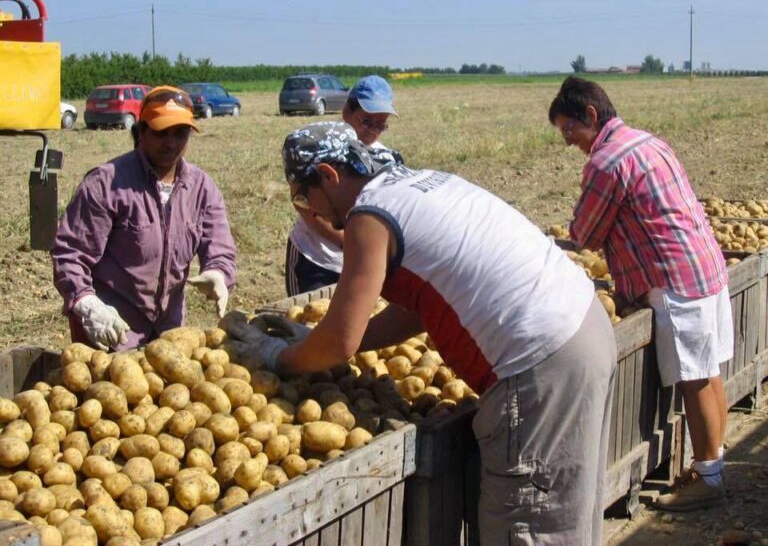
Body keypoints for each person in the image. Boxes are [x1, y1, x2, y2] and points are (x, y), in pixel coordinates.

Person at [232, 121, 617, 545]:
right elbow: (413, 312)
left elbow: (340, 341)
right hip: (583, 329)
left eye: (304, 197)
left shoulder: (369, 215)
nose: (312, 213)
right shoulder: (418, 183)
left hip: (539, 364)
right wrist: (312, 338)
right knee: (564, 512)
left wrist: (276, 357)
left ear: (329, 174)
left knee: (529, 523)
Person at [548, 76, 732, 512]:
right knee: (709, 374)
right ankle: (713, 468)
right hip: (704, 265)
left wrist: (564, 242)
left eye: (568, 131)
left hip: (674, 277)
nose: (568, 142)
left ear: (591, 115)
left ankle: (709, 481)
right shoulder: (647, 141)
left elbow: (587, 233)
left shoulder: (606, 161)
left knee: (695, 381)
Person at [51, 85, 237, 351]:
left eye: (180, 133)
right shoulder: (106, 184)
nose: (171, 143)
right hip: (110, 330)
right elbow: (70, 255)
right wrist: (87, 304)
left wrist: (218, 273)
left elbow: (220, 246)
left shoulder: (202, 188)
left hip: (168, 333)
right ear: (141, 132)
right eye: (161, 132)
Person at [284, 75, 397, 296]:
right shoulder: (319, 146)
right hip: (317, 259)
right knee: (307, 320)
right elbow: (302, 202)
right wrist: (349, 244)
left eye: (380, 125)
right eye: (366, 121)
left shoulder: (385, 160)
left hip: (362, 261)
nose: (372, 130)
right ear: (347, 111)